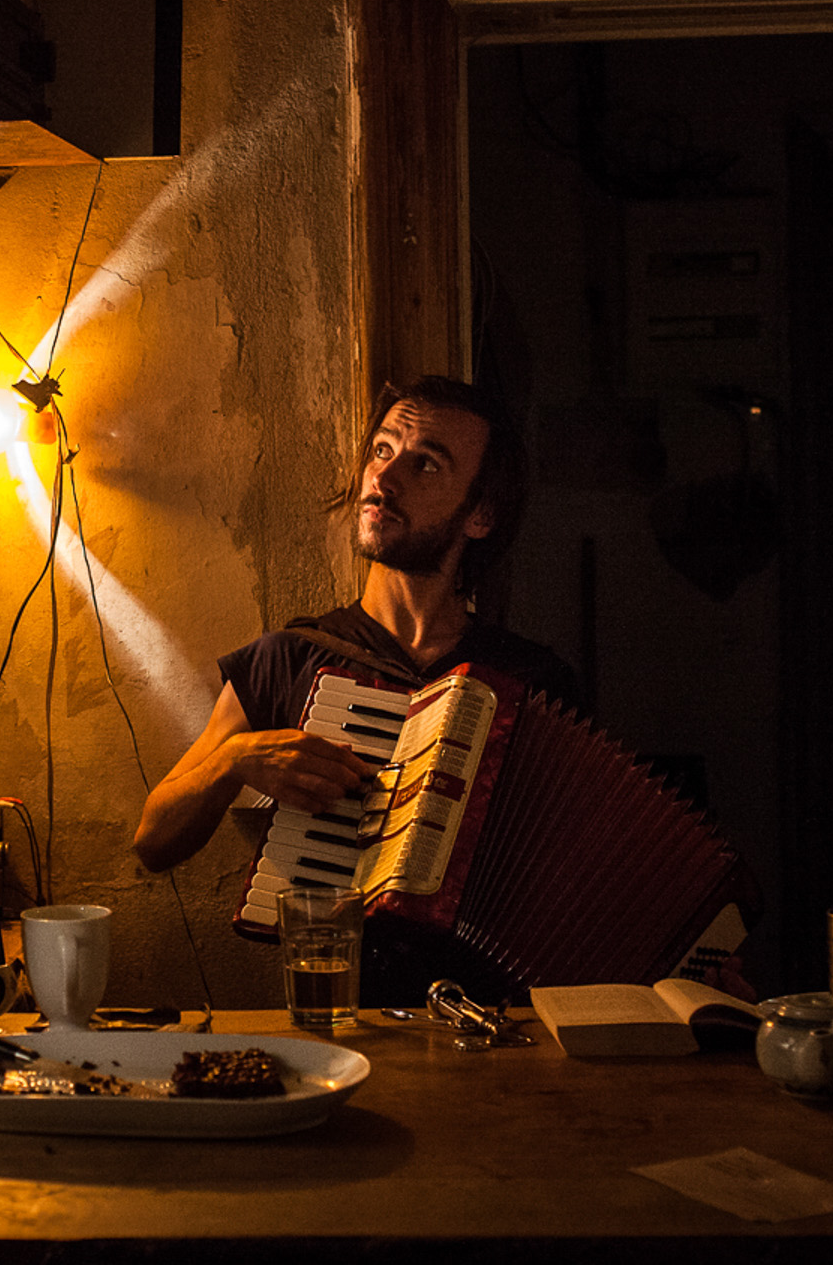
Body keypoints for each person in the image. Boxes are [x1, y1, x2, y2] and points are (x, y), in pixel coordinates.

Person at [132, 375, 580, 1001]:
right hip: (339, 1011)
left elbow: (581, 875)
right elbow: (153, 842)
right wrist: (234, 760)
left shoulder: (533, 685)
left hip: (498, 1017)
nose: (384, 479)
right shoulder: (286, 661)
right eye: (383, 450)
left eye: (425, 465)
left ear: (479, 515)